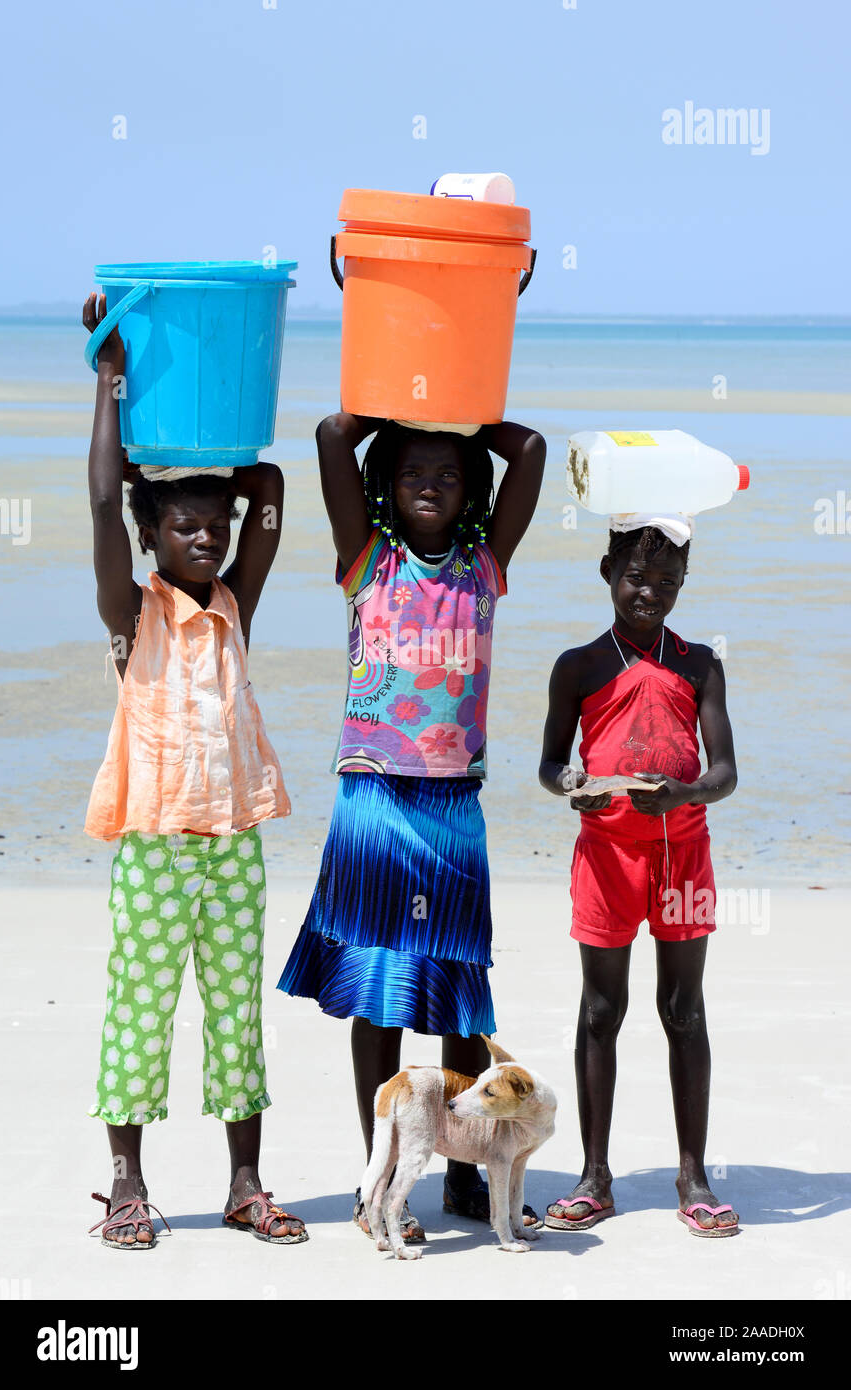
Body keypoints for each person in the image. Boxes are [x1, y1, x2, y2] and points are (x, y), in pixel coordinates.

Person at [278, 413, 545, 1240]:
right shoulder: (368, 559)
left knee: (459, 993)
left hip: (452, 804)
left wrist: (466, 405)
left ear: (471, 495)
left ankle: (466, 1173)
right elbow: (330, 438)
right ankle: (380, 1175)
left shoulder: (484, 563)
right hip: (375, 799)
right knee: (381, 992)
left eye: (449, 474)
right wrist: (391, 405)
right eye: (412, 471)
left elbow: (530, 451)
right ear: (385, 485)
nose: (429, 484)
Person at [82, 292, 306, 1249]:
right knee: (139, 1011)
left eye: (215, 525)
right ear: (152, 535)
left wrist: (224, 444)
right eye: (184, 526)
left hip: (233, 851)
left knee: (235, 1017)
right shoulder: (131, 615)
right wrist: (113, 380)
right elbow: (101, 498)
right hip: (154, 853)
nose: (207, 537)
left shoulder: (234, 608)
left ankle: (245, 1183)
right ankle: (128, 1185)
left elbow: (276, 490)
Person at [539, 518, 740, 1237]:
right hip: (606, 856)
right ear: (606, 573)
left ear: (682, 584)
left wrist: (684, 795)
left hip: (680, 853)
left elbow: (723, 772)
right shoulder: (579, 666)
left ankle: (693, 1175)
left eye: (665, 581)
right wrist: (571, 785)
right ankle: (594, 1176)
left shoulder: (700, 665)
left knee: (683, 1010)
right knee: (601, 1011)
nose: (648, 592)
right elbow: (550, 764)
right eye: (635, 577)